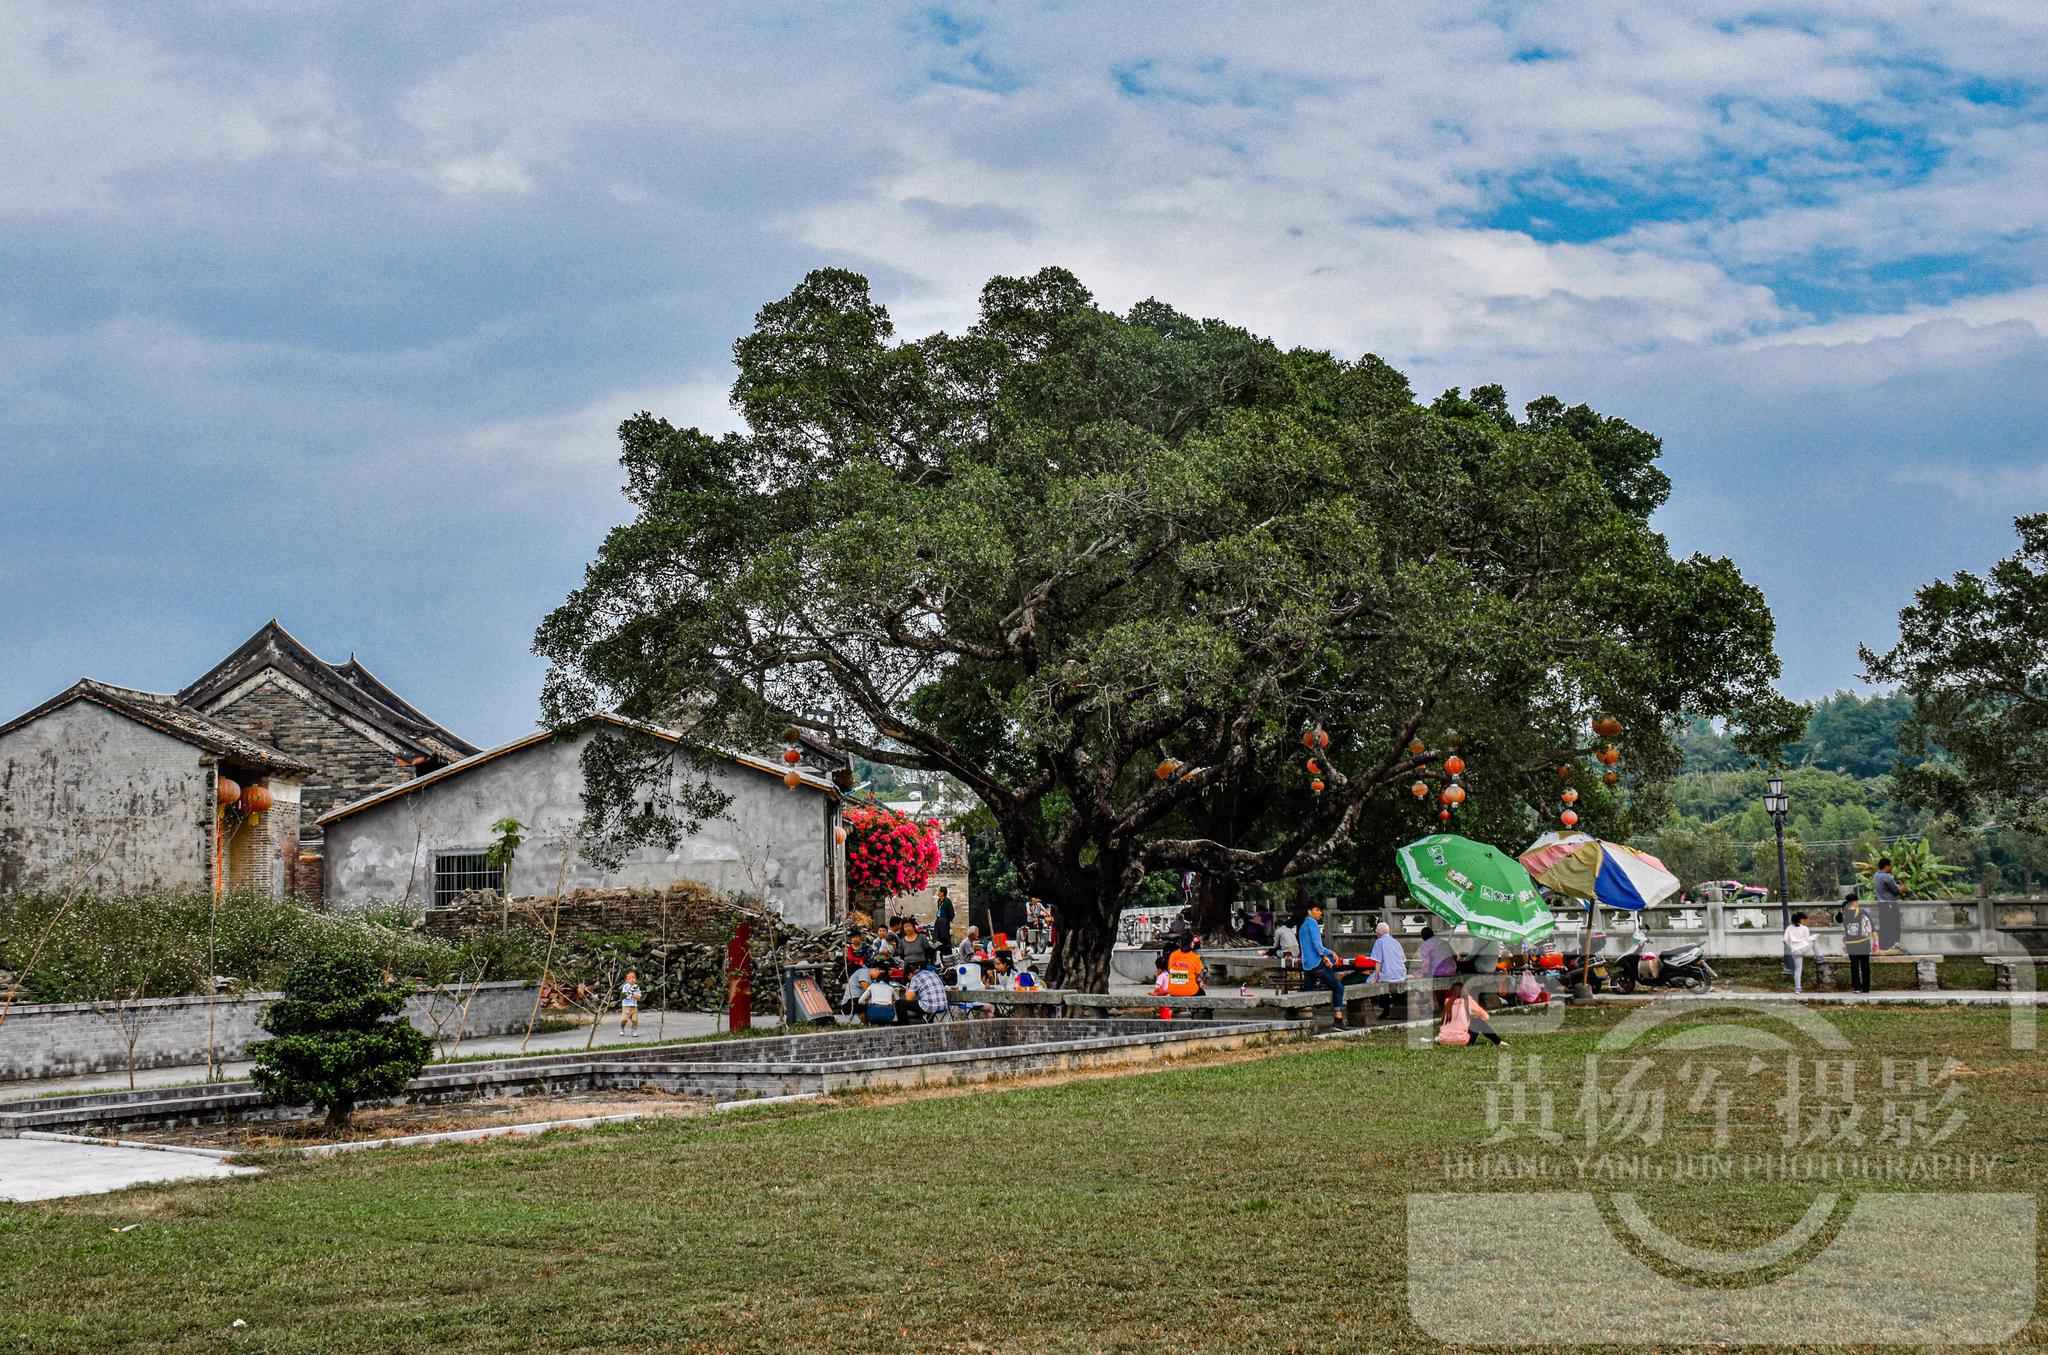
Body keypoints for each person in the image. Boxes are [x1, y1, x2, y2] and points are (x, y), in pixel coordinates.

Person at [1298, 901, 1348, 1027]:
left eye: (1320, 910)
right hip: (1316, 964)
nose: (1319, 913)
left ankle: (1301, 1021)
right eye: (1316, 910)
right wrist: (1330, 952)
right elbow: (1317, 945)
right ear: (1309, 911)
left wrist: (1324, 956)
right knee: (1338, 987)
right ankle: (1338, 1020)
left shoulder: (1303, 925)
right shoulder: (1313, 923)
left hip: (1307, 965)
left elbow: (1308, 946)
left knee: (1307, 992)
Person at [1436, 981, 1507, 1048]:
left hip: (1443, 1040)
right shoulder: (1468, 1000)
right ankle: (1498, 1042)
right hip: (1462, 1041)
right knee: (1478, 1021)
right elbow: (1485, 1016)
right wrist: (1473, 1015)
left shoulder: (1447, 1002)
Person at [1368, 921, 1408, 1020]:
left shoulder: (1379, 942)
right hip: (1401, 974)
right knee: (1383, 980)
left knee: (1370, 981)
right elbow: (1403, 960)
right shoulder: (1396, 942)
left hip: (1388, 975)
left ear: (1378, 933)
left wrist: (1376, 977)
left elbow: (1378, 962)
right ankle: (1389, 1006)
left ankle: (1384, 1008)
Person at [1841, 892, 1876, 993]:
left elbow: (1842, 927)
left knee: (1854, 966)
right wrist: (1876, 941)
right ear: (1856, 901)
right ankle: (1866, 988)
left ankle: (1856, 988)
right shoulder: (1863, 912)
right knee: (1865, 966)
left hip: (1851, 944)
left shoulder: (1844, 914)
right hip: (1864, 943)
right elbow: (1871, 927)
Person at [1872, 856, 1905, 952]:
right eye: (1890, 866)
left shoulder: (1876, 875)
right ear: (1886, 866)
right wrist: (1903, 889)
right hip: (1890, 904)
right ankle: (1894, 945)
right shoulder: (1887, 877)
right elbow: (1896, 891)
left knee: (1884, 926)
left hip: (1881, 904)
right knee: (1894, 925)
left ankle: (1884, 946)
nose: (1891, 868)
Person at [1784, 911, 1816, 994]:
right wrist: (1815, 936)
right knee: (1814, 939)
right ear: (1801, 920)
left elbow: (1785, 940)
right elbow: (1808, 939)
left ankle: (1798, 988)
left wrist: (1790, 946)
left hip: (1795, 951)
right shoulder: (1804, 928)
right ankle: (1819, 956)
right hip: (1804, 949)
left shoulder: (1788, 928)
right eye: (1804, 919)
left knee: (1798, 970)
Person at [618, 971, 644, 1035]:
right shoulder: (625, 987)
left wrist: (638, 997)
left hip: (634, 1006)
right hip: (626, 1006)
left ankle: (633, 1030)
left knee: (635, 1020)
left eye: (633, 978)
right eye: (629, 978)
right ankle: (622, 1027)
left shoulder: (636, 987)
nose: (632, 979)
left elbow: (639, 995)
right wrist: (633, 996)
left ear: (636, 979)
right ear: (627, 980)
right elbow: (625, 995)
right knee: (624, 1019)